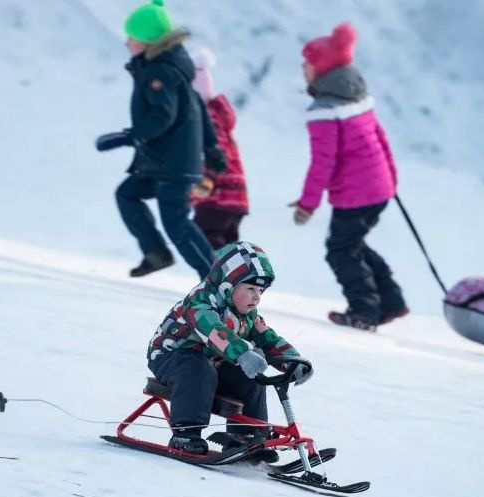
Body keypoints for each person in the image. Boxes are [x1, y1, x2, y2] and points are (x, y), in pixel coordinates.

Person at [95, 0, 227, 280]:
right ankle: (156, 252)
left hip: (172, 163)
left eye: (132, 37)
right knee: (127, 194)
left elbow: (162, 116)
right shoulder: (170, 67)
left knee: (176, 221)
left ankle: (215, 278)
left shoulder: (160, 72)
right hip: (161, 160)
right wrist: (211, 147)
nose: (127, 42)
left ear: (147, 41)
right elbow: (198, 110)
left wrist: (130, 136)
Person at [291, 23, 409, 331]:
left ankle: (364, 311)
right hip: (378, 187)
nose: (304, 69)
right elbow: (381, 138)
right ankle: (391, 301)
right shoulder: (357, 97)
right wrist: (391, 181)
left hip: (357, 193)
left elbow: (323, 162)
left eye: (308, 64)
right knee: (352, 244)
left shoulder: (324, 110)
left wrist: (308, 203)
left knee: (340, 250)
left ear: (322, 69)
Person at [146, 241, 312, 457]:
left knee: (251, 377)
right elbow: (213, 330)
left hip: (214, 361)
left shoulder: (247, 314)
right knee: (197, 368)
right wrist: (242, 353)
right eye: (250, 288)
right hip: (171, 355)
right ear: (227, 284)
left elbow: (267, 338)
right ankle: (185, 434)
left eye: (260, 290)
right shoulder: (201, 300)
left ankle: (247, 438)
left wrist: (291, 361)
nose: (257, 297)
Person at [189, 47, 250, 250]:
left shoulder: (205, 117)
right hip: (233, 196)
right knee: (228, 247)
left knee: (204, 239)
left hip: (218, 195)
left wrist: (207, 179)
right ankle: (238, 280)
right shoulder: (214, 115)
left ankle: (222, 280)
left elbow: (215, 148)